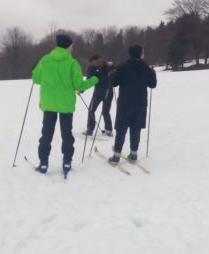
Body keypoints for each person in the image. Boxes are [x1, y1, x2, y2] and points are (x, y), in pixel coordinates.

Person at [31, 34, 98, 175]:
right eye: (71, 45)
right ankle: (67, 162)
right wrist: (94, 80)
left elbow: (36, 79)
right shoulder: (72, 63)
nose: (72, 47)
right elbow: (78, 85)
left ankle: (43, 163)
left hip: (48, 104)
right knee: (67, 134)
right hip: (65, 105)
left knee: (46, 134)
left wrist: (35, 67)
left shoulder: (45, 59)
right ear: (68, 46)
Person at [108, 44, 157, 165]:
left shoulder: (123, 66)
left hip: (125, 103)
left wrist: (111, 75)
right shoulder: (146, 68)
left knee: (121, 129)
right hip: (140, 103)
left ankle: (116, 156)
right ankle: (133, 154)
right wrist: (153, 73)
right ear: (140, 54)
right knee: (136, 128)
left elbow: (114, 83)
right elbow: (153, 84)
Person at [82, 54, 115, 137]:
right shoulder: (107, 65)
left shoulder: (91, 67)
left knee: (91, 109)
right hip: (109, 91)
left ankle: (90, 129)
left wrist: (81, 90)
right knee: (105, 111)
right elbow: (116, 69)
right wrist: (112, 65)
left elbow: (88, 81)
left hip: (99, 91)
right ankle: (109, 130)